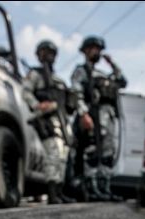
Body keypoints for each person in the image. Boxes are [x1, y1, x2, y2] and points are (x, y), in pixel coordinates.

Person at [71, 35, 127, 202]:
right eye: (94, 48)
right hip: (93, 115)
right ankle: (91, 188)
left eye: (99, 49)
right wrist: (84, 114)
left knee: (108, 154)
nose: (97, 52)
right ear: (86, 51)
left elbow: (123, 81)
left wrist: (112, 64)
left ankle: (105, 187)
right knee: (93, 152)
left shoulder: (103, 74)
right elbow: (76, 93)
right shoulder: (82, 71)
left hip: (108, 117)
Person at [22, 40, 75, 204]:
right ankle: (52, 193)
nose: (48, 56)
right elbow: (26, 92)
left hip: (62, 120)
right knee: (53, 154)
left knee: (63, 156)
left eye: (51, 53)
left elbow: (68, 103)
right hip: (46, 118)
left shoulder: (59, 80)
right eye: (44, 52)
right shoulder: (35, 74)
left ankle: (59, 191)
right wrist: (37, 105)